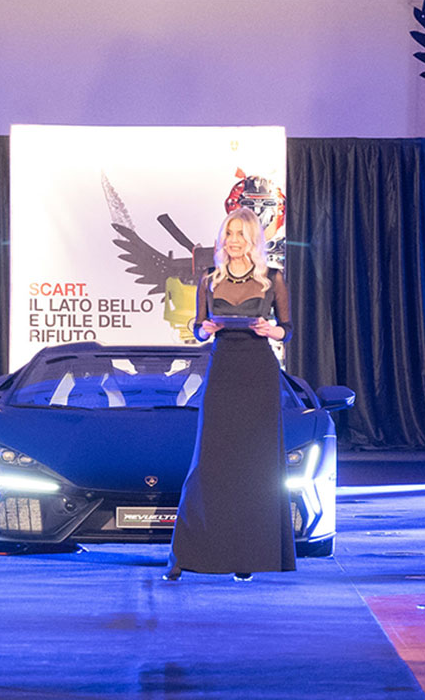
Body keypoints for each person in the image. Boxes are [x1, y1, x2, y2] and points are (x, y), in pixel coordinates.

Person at [164, 207, 293, 582]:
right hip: (223, 371)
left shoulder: (272, 278)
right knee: (210, 463)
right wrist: (204, 329)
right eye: (229, 233)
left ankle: (247, 556)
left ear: (253, 240)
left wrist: (272, 331)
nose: (233, 240)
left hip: (259, 373)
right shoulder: (210, 278)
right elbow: (197, 328)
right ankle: (185, 555)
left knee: (254, 465)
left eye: (240, 234)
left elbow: (287, 329)